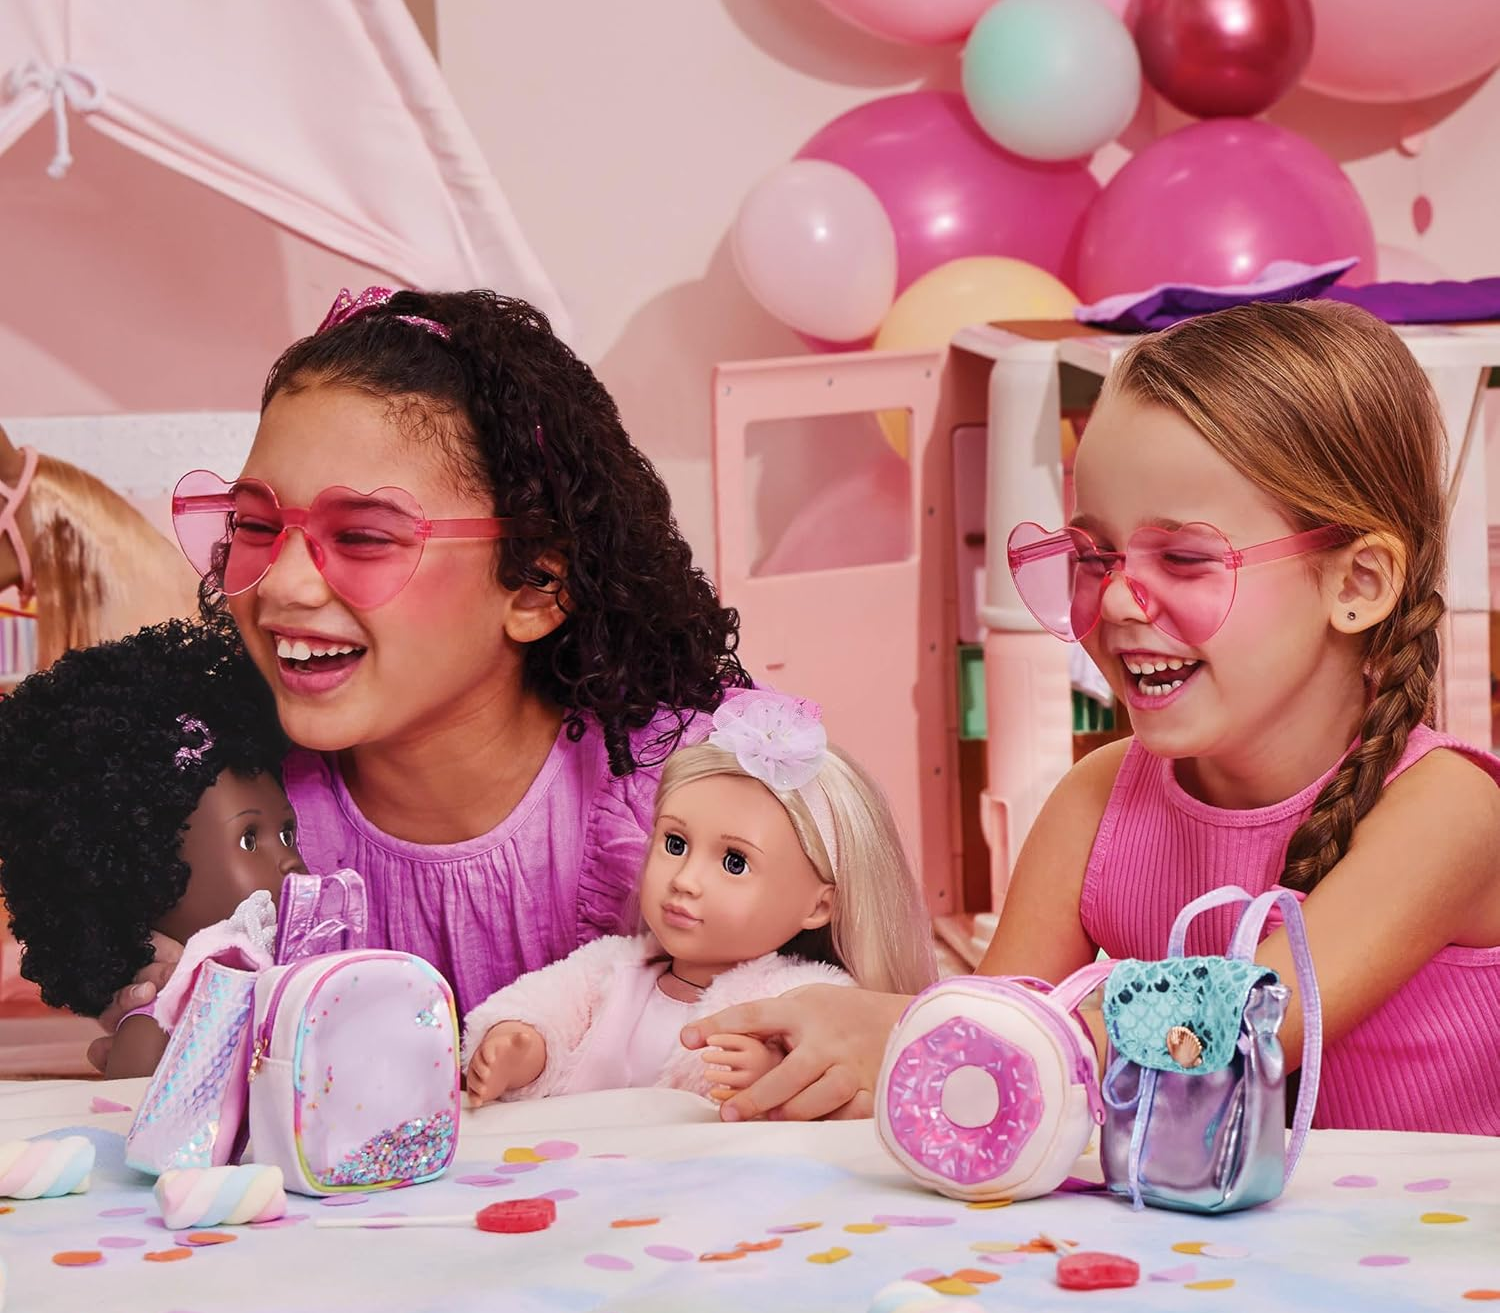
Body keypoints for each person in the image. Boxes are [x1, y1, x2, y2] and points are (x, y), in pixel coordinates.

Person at [688, 301, 1500, 1133]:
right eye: (1096, 557)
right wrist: (865, 1061)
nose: (1113, 601)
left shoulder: (1450, 812)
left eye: (1183, 557)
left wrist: (905, 1029)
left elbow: (1236, 1023)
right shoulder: (1097, 800)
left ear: (1358, 583)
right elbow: (999, 1045)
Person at [88, 286, 750, 1073]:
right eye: (257, 526)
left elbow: (831, 1004)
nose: (282, 585)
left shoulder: (695, 796)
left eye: (364, 538)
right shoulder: (223, 820)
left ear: (536, 585)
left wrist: (858, 1022)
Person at [462, 692, 934, 1104]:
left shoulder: (799, 999)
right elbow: (546, 1008)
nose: (685, 880)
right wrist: (521, 1043)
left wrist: (769, 1072)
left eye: (734, 863)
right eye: (675, 844)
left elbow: (828, 1073)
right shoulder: (611, 968)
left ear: (819, 906)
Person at [0, 618, 304, 1079]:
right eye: (249, 839)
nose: (289, 859)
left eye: (288, 834)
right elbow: (135, 1107)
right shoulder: (163, 1019)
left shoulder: (306, 973)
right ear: (147, 877)